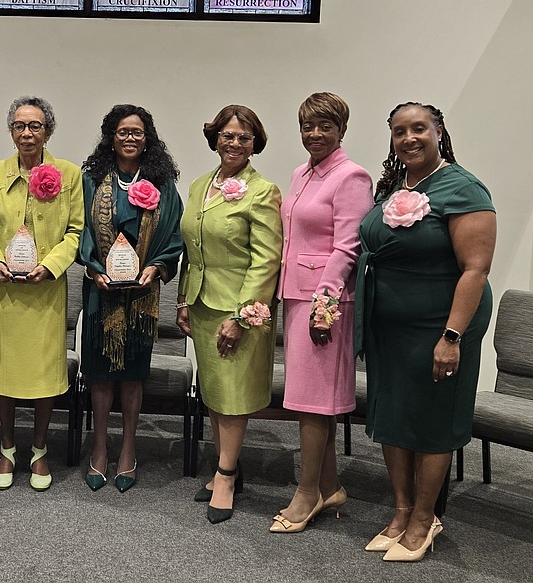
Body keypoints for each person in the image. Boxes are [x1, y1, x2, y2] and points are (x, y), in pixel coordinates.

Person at [357, 102, 495, 561]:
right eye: (399, 131)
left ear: (439, 132)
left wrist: (451, 337)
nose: (409, 138)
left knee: (433, 418)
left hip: (441, 325)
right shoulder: (397, 185)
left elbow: (475, 270)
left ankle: (424, 517)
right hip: (390, 327)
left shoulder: (463, 188)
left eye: (419, 128)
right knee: (392, 414)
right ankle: (399, 510)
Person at [270, 93, 373, 532]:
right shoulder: (301, 173)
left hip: (324, 305)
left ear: (341, 130)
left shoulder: (352, 176)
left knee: (313, 404)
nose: (314, 134)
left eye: (324, 126)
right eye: (307, 126)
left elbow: (348, 246)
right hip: (295, 295)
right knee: (313, 402)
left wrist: (324, 305)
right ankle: (329, 486)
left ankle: (306, 492)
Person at [176, 104, 281, 524]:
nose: (235, 143)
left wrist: (241, 316)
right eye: (227, 135)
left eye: (244, 137)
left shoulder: (263, 190)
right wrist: (184, 300)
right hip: (202, 306)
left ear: (255, 144)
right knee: (215, 393)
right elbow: (192, 250)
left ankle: (225, 474)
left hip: (237, 310)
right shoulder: (201, 184)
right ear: (214, 138)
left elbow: (266, 260)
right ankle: (226, 465)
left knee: (233, 398)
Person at [78, 104, 183, 493]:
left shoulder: (162, 184)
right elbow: (81, 228)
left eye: (137, 132)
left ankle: (128, 449)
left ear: (148, 137)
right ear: (111, 136)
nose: (130, 138)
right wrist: (93, 267)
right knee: (100, 374)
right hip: (100, 293)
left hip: (141, 297)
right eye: (122, 131)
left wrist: (156, 267)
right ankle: (100, 448)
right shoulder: (92, 179)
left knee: (134, 375)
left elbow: (172, 234)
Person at [0, 96, 83, 491]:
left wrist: (51, 265)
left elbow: (75, 231)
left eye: (36, 126)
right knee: (6, 373)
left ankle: (39, 450)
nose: (27, 133)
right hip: (6, 292)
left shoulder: (69, 174)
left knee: (44, 375)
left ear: (49, 131)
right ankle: (7, 449)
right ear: (11, 131)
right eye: (20, 126)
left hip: (46, 292)